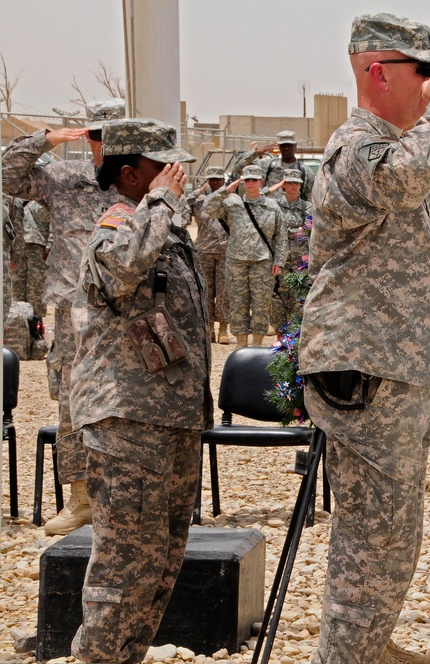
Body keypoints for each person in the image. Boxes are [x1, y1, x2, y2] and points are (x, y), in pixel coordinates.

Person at [297, 13, 430, 664]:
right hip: (365, 369)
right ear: (378, 71)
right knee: (373, 533)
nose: (429, 86)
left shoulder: (390, 146)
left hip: (395, 367)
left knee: (393, 530)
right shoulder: (358, 146)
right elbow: (405, 179)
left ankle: (368, 647)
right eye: (420, 73)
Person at [69, 117, 211, 664]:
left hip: (170, 417)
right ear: (130, 175)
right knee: (124, 564)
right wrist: (160, 203)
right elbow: (125, 268)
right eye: (161, 168)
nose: (176, 176)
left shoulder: (161, 227)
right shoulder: (116, 227)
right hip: (128, 420)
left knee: (160, 563)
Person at [2, 97, 125, 535]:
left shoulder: (141, 180)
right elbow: (6, 175)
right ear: (85, 137)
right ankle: (80, 498)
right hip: (75, 310)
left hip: (128, 311)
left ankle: (126, 495)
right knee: (73, 403)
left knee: (127, 400)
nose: (104, 145)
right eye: (96, 135)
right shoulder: (64, 178)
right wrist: (42, 140)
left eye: (112, 135)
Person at [204, 164, 288, 347]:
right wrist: (225, 191)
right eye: (247, 180)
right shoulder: (232, 204)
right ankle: (241, 345)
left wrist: (280, 261)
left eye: (254, 180)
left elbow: (281, 236)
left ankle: (257, 345)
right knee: (238, 304)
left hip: (263, 262)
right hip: (236, 262)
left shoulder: (272, 206)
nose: (250, 184)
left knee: (261, 305)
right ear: (242, 181)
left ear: (261, 182)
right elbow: (208, 207)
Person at [186, 165, 232, 343]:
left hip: (225, 250)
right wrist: (200, 189)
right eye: (211, 179)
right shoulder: (200, 202)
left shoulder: (230, 200)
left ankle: (223, 329)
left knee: (223, 292)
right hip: (204, 250)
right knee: (206, 290)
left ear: (223, 181)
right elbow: (185, 202)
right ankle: (209, 327)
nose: (214, 183)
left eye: (217, 180)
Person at [268, 168, 313, 326]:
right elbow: (261, 196)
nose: (294, 186)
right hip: (281, 257)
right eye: (290, 183)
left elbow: (307, 227)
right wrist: (295, 230)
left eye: (297, 183)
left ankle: (295, 329)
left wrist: (286, 230)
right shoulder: (275, 205)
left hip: (301, 259)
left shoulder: (307, 206)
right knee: (279, 293)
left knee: (299, 295)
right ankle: (279, 328)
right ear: (284, 185)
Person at [232, 130, 316, 202]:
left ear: (295, 146)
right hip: (269, 217)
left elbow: (310, 199)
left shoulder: (305, 171)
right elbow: (237, 169)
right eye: (283, 145)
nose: (286, 148)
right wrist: (256, 153)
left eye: (289, 145)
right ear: (279, 146)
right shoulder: (267, 165)